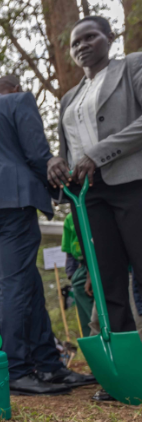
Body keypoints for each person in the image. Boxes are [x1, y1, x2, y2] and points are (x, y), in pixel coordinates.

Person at [0, 75, 92, 395]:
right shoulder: (18, 102)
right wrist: (61, 184)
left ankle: (50, 366)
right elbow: (37, 154)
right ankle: (17, 370)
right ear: (15, 88)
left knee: (27, 282)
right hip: (13, 202)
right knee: (15, 284)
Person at [47, 15, 142, 338]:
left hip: (132, 184)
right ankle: (123, 373)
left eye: (90, 37)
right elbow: (68, 149)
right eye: (75, 43)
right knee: (105, 280)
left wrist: (98, 154)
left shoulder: (131, 67)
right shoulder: (68, 100)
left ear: (110, 37)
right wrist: (56, 162)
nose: (82, 46)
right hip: (88, 196)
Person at [61, 212, 92, 337]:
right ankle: (95, 350)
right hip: (82, 268)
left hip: (103, 264)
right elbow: (69, 253)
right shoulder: (70, 218)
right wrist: (72, 275)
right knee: (87, 320)